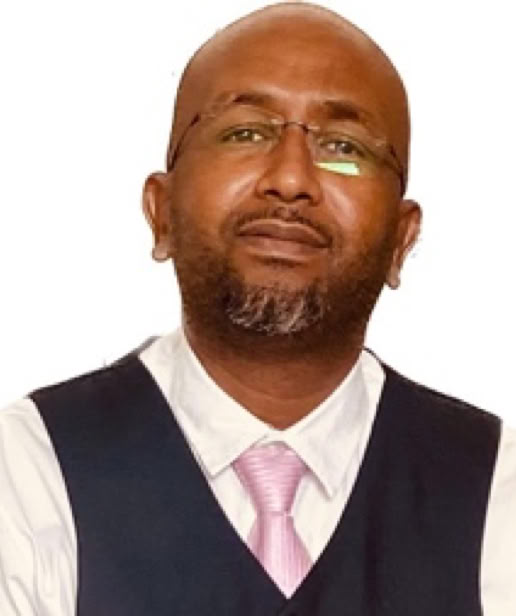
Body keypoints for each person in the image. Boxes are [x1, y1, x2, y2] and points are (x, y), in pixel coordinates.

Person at [1, 2, 514, 615]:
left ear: (402, 241)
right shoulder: (27, 472)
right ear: (162, 212)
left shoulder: (496, 489)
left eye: (343, 146)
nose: (291, 178)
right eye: (245, 133)